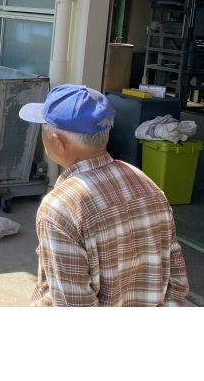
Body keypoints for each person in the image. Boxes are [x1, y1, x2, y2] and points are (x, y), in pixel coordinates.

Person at [19, 84, 190, 306]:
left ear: (57, 141)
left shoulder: (60, 207)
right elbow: (176, 283)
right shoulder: (146, 184)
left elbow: (74, 306)